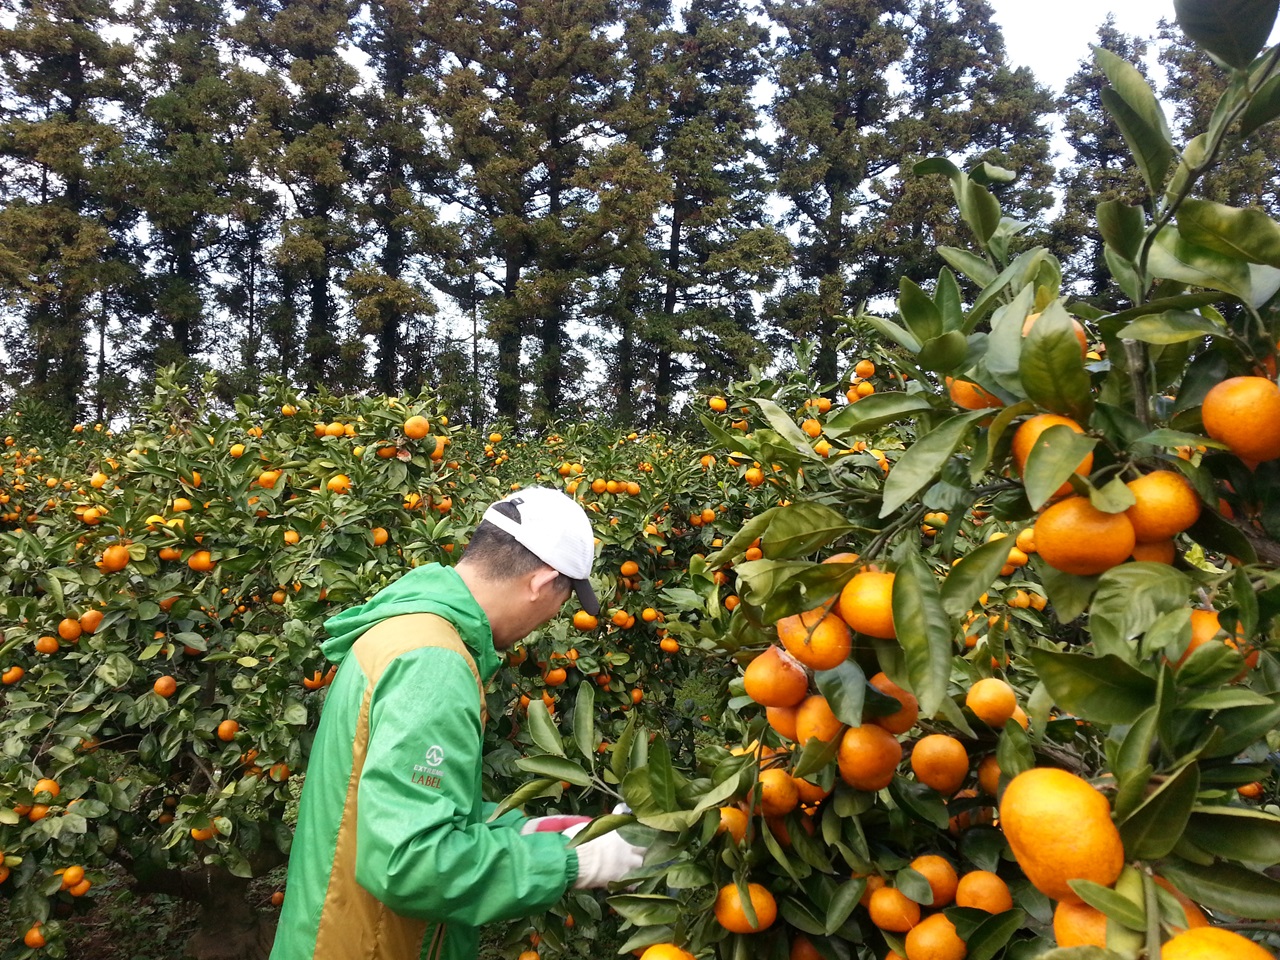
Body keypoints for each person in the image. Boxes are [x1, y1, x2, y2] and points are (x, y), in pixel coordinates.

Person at [270, 487, 646, 960]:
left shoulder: (400, 630)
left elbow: (397, 806)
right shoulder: (434, 665)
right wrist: (573, 860)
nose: (554, 616)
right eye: (564, 598)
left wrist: (520, 831)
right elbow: (410, 863)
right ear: (541, 581)